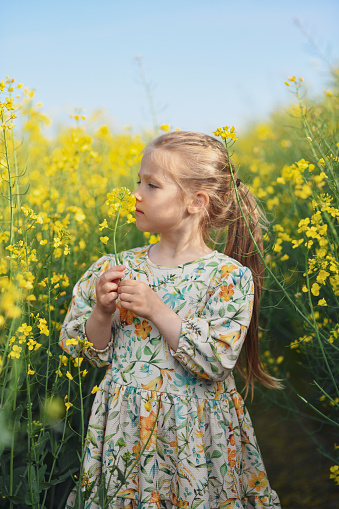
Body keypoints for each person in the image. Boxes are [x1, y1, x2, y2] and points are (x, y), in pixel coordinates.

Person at [59, 131, 281, 508]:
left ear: (196, 202)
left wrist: (156, 309)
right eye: (138, 182)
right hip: (126, 427)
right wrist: (101, 311)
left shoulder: (227, 277)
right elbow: (86, 350)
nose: (136, 194)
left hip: (194, 430)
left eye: (152, 185)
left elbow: (215, 362)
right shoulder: (118, 266)